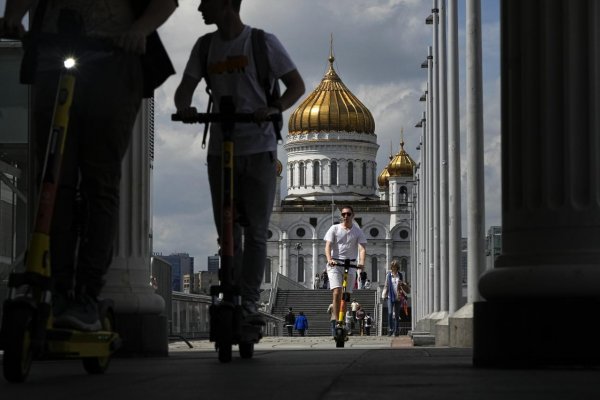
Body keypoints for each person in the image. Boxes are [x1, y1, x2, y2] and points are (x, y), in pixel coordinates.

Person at [0, 0, 177, 331]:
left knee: (100, 181)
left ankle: (86, 292)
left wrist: (139, 30)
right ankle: (57, 285)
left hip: (113, 61)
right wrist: (12, 17)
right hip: (54, 56)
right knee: (53, 178)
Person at [174, 0, 305, 325]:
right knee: (227, 229)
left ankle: (249, 303)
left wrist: (275, 108)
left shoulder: (262, 42)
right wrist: (185, 107)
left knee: (258, 231)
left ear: (226, 4)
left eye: (207, 2)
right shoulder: (205, 47)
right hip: (221, 148)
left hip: (259, 148)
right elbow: (184, 89)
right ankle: (230, 288)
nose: (201, 8)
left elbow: (296, 86)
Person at [324, 205, 367, 329]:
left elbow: (362, 248)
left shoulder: (358, 231)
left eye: (348, 214)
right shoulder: (334, 228)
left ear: (353, 215)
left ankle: (341, 318)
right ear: (341, 216)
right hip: (336, 264)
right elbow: (328, 246)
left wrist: (362, 263)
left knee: (346, 295)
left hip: (351, 264)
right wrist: (330, 259)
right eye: (343, 214)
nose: (346, 216)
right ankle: (337, 320)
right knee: (337, 292)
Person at [382, 259, 404, 336]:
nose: (394, 268)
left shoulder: (400, 275)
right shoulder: (388, 275)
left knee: (397, 315)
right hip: (390, 296)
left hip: (398, 296)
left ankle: (396, 331)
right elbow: (386, 285)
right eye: (393, 266)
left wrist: (402, 284)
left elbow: (402, 286)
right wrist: (384, 294)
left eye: (395, 266)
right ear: (391, 267)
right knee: (390, 313)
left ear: (397, 267)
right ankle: (390, 329)